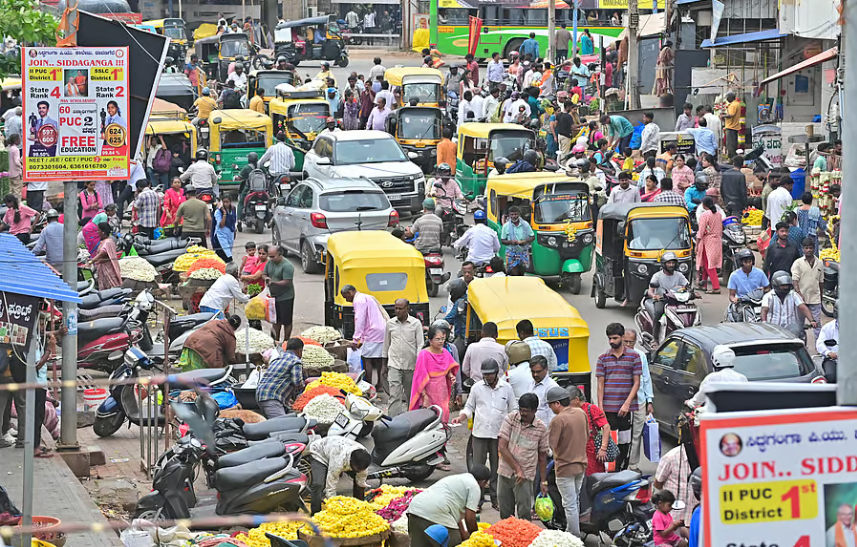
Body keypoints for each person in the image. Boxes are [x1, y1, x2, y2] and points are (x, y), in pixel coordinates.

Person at [453, 358, 515, 511]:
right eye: (485, 375)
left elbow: (513, 409)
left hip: (499, 434)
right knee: (478, 468)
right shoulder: (477, 388)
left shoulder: (506, 388)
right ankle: (477, 501)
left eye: (490, 375)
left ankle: (495, 499)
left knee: (497, 468)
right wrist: (461, 416)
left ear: (496, 373)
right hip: (480, 433)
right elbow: (469, 407)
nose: (487, 377)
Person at [596, 323, 642, 472]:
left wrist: (627, 404)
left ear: (622, 337)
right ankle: (610, 471)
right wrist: (600, 410)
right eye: (610, 338)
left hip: (626, 409)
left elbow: (636, 383)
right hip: (608, 409)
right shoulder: (603, 359)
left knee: (625, 441)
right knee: (609, 441)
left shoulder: (634, 357)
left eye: (615, 338)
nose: (612, 341)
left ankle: (623, 470)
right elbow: (600, 386)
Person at [407, 467, 491, 547]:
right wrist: (476, 538)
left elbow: (458, 517)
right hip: (434, 510)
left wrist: (464, 535)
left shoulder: (459, 479)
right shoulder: (474, 486)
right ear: (483, 481)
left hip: (415, 508)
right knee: (454, 542)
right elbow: (470, 518)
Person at [497, 392, 549, 519]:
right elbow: (502, 447)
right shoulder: (510, 419)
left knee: (524, 514)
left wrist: (543, 481)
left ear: (535, 410)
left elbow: (542, 457)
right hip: (505, 471)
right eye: (521, 410)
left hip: (525, 477)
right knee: (505, 514)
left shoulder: (541, 428)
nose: (523, 413)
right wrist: (517, 469)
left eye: (526, 411)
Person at [547, 386, 589, 537]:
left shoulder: (558, 420)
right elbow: (587, 434)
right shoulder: (581, 413)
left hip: (565, 468)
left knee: (569, 504)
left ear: (557, 403)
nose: (550, 408)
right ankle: (572, 532)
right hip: (581, 465)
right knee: (574, 501)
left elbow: (551, 447)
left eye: (550, 404)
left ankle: (573, 537)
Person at [342, 285, 390, 396]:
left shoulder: (358, 300)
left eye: (346, 297)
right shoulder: (366, 297)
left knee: (366, 358)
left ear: (350, 292)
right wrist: (361, 338)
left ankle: (368, 384)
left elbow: (360, 319)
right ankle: (379, 385)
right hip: (381, 329)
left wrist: (356, 339)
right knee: (378, 358)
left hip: (372, 331)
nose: (346, 300)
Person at [307, 436, 371, 514]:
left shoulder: (363, 460)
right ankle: (315, 513)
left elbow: (361, 482)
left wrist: (360, 506)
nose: (360, 471)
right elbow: (331, 486)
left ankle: (357, 506)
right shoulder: (338, 462)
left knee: (358, 480)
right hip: (319, 453)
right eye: (357, 469)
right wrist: (335, 507)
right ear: (350, 462)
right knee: (318, 484)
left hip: (335, 449)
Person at [410, 324, 459, 422]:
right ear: (430, 340)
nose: (441, 341)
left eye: (442, 339)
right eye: (438, 339)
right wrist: (425, 396)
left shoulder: (445, 352)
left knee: (443, 414)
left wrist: (451, 376)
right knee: (431, 417)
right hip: (429, 391)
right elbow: (420, 378)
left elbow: (448, 368)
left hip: (442, 390)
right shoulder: (424, 354)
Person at [384, 299, 423, 416]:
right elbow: (386, 344)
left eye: (400, 308)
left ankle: (412, 419)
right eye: (396, 308)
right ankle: (393, 422)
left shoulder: (415, 324)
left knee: (411, 395)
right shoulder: (390, 324)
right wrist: (383, 365)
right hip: (394, 364)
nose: (397, 311)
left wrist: (419, 365)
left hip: (411, 366)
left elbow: (420, 344)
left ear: (407, 309)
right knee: (394, 395)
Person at [622, 329, 653, 472]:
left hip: (639, 401)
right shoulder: (617, 356)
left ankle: (632, 465)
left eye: (631, 342)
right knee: (622, 435)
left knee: (636, 435)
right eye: (625, 342)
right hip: (621, 403)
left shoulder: (641, 356)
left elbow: (646, 378)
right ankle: (620, 464)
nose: (628, 344)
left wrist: (649, 400)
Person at [645, 252, 690, 340]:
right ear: (664, 264)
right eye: (669, 263)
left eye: (673, 263)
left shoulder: (679, 275)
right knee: (658, 313)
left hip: (677, 300)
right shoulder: (657, 276)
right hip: (662, 300)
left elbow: (687, 286)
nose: (671, 265)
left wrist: (692, 293)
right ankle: (655, 339)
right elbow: (650, 290)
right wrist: (654, 296)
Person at [256, 338, 305, 418]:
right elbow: (297, 382)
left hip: (261, 395)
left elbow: (279, 379)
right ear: (299, 350)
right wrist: (304, 390)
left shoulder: (277, 359)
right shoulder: (295, 361)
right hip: (272, 398)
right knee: (281, 426)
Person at [791, 238, 824, 339]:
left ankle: (819, 347)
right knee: (799, 324)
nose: (808, 250)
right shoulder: (798, 263)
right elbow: (795, 280)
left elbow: (821, 281)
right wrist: (799, 293)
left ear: (814, 249)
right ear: (803, 249)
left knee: (816, 324)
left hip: (815, 299)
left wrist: (821, 297)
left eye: (810, 248)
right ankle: (799, 345)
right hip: (801, 300)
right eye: (806, 248)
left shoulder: (820, 263)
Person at [265, 244, 296, 342]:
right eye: (269, 256)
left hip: (285, 297)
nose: (271, 258)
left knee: (286, 321)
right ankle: (275, 340)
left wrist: (273, 282)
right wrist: (266, 278)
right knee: (275, 320)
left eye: (273, 256)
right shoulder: (270, 263)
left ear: (279, 254)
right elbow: (264, 273)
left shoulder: (287, 266)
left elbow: (287, 282)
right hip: (273, 296)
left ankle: (286, 341)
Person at [696, 197, 723, 293]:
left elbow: (701, 231)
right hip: (717, 240)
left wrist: (697, 244)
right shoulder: (718, 214)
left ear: (704, 205)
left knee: (709, 265)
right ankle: (703, 284)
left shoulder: (705, 215)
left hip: (707, 241)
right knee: (707, 262)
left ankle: (716, 287)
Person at [86, 222, 121, 290]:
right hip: (102, 268)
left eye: (99, 230)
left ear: (103, 232)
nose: (97, 232)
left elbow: (102, 253)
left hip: (107, 268)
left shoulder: (108, 242)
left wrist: (91, 262)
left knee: (111, 286)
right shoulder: (105, 241)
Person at [500, 206, 535, 276]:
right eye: (512, 215)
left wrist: (525, 242)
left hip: (523, 252)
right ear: (509, 215)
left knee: (522, 273)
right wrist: (511, 242)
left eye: (515, 214)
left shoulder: (525, 225)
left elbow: (532, 237)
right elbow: (503, 240)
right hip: (511, 253)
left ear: (519, 214)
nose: (514, 216)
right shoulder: (506, 226)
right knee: (514, 273)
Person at [211, 196, 236, 263]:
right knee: (226, 257)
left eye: (227, 202)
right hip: (220, 237)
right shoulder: (218, 212)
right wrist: (224, 214)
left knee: (227, 253)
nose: (225, 204)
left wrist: (234, 231)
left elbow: (233, 222)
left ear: (230, 202)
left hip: (229, 235)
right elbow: (221, 225)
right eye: (224, 202)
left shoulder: (233, 209)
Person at [723, 92, 742, 160]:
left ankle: (732, 158)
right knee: (733, 144)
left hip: (731, 127)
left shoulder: (733, 105)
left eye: (727, 97)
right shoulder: (737, 103)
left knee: (730, 145)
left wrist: (723, 116)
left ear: (731, 97)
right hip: (735, 126)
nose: (727, 99)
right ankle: (733, 158)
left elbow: (731, 114)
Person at [5, 134, 23, 200]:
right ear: (16, 140)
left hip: (8, 173)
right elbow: (16, 161)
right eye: (19, 139)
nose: (20, 141)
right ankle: (17, 206)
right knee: (17, 191)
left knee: (10, 191)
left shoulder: (8, 148)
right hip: (16, 173)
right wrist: (21, 167)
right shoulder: (16, 149)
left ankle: (10, 205)